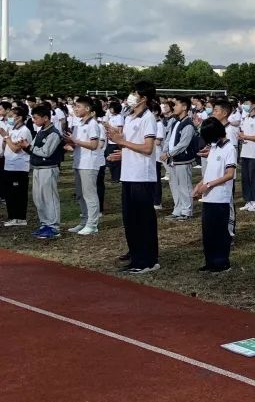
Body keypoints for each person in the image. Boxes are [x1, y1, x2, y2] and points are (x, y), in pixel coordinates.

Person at [106, 81, 160, 274]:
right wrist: (118, 143)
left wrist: (123, 142)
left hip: (141, 176)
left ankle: (148, 260)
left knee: (143, 219)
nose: (131, 96)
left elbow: (147, 148)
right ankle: (136, 257)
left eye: (134, 93)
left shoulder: (148, 118)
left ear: (143, 98)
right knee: (130, 219)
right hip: (128, 174)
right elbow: (128, 144)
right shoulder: (129, 117)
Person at [192, 118, 235, 273]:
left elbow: (229, 174)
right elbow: (209, 172)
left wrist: (208, 185)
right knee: (208, 232)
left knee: (219, 231)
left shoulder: (229, 148)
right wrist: (199, 185)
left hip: (220, 196)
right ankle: (210, 261)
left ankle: (222, 262)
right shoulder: (214, 147)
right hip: (208, 196)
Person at [63, 95, 103, 235]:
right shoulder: (78, 123)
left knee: (89, 194)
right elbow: (77, 143)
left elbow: (93, 145)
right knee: (80, 194)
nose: (76, 109)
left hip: (89, 163)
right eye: (75, 106)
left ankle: (92, 224)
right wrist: (71, 143)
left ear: (87, 108)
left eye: (78, 106)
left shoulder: (93, 124)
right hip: (78, 162)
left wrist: (75, 141)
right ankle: (84, 221)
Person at [29, 105, 64, 240]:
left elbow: (46, 152)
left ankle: (54, 226)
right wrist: (28, 147)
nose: (34, 120)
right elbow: (33, 146)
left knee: (49, 198)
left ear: (45, 118)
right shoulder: (40, 131)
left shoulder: (53, 133)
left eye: (36, 118)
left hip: (48, 168)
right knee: (38, 198)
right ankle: (44, 223)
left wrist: (30, 147)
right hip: (37, 168)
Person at [163, 95, 197, 221]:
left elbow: (183, 144)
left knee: (185, 185)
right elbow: (169, 138)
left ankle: (187, 211)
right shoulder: (176, 121)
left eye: (176, 105)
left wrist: (169, 154)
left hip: (183, 159)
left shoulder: (188, 124)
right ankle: (177, 209)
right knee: (174, 185)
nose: (174, 107)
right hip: (173, 159)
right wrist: (165, 151)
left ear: (184, 107)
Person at [1, 106, 31, 227]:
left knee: (18, 193)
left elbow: (16, 149)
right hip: (9, 165)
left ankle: (20, 217)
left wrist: (6, 137)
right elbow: (6, 147)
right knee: (10, 193)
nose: (9, 118)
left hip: (19, 166)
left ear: (19, 117)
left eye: (11, 116)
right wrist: (5, 140)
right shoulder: (12, 129)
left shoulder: (24, 130)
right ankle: (13, 217)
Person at [237, 97, 255, 213]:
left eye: (247, 103)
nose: (244, 105)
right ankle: (248, 200)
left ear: (254, 105)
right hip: (245, 152)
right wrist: (241, 137)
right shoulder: (246, 118)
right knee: (246, 178)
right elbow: (243, 132)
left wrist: (245, 137)